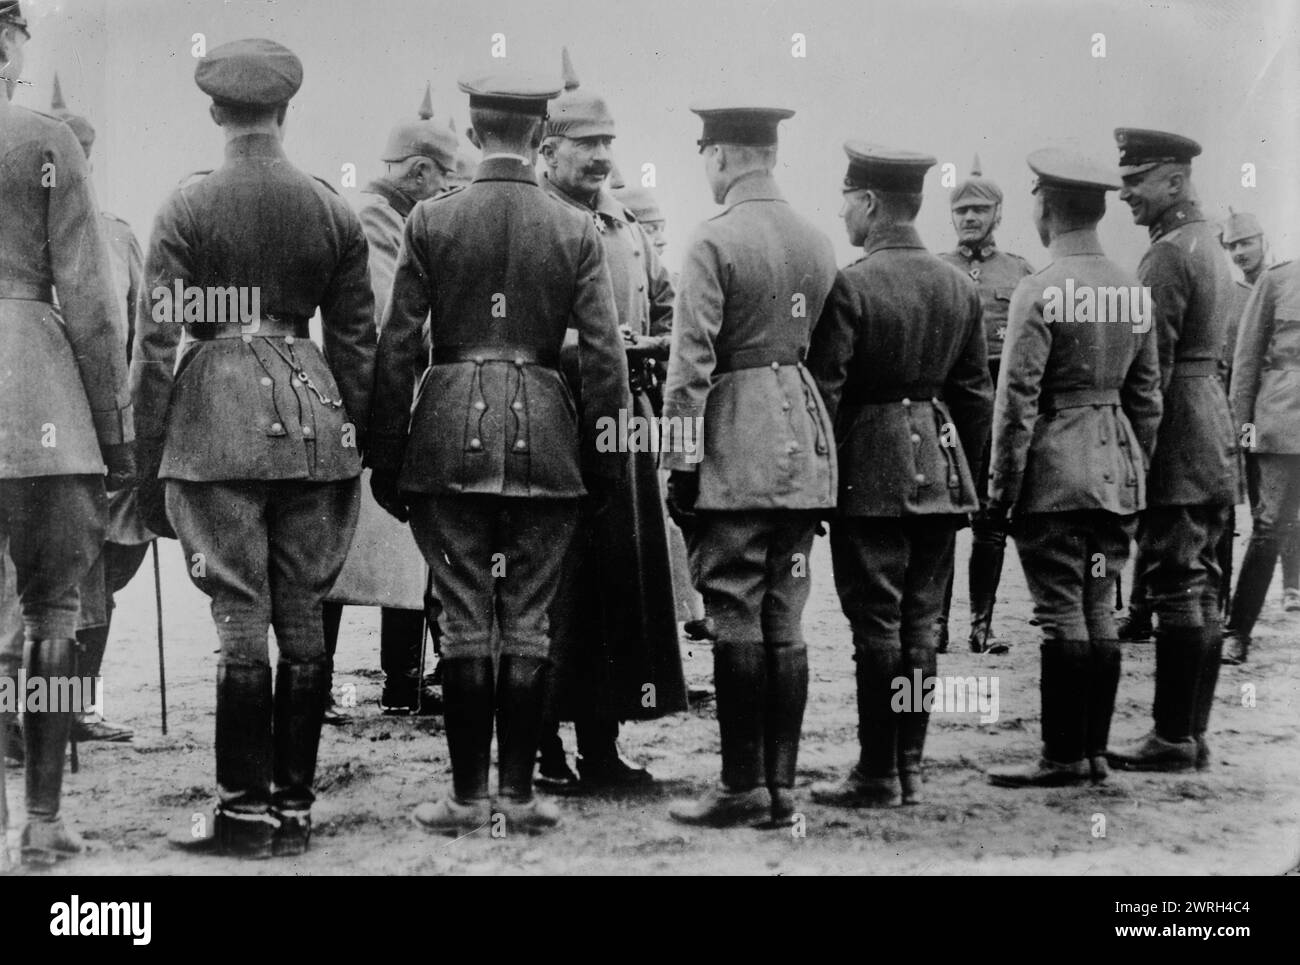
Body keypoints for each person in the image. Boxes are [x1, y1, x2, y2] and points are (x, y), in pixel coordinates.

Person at [367, 71, 629, 835]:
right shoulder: (574, 226)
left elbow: (395, 347)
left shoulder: (429, 220)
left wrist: (387, 454)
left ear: (475, 135)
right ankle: (517, 794)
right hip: (547, 441)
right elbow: (605, 358)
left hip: (448, 438)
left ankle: (465, 795)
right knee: (527, 622)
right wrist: (604, 458)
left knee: (461, 622)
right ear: (541, 137)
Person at [135, 38, 377, 858]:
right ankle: (295, 812)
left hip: (217, 425)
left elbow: (155, 343)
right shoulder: (331, 207)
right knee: (304, 616)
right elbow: (357, 344)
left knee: (240, 621)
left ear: (215, 110)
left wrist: (145, 452)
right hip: (315, 424)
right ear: (286, 110)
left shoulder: (187, 206)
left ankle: (243, 814)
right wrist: (362, 439)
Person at [663, 104, 837, 827]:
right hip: (801, 440)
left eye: (705, 152)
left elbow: (690, 367)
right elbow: (823, 354)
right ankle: (782, 786)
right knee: (783, 616)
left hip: (736, 444)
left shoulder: (714, 240)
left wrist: (680, 459)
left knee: (733, 609)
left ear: (725, 156)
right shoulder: (817, 240)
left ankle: (742, 786)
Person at [806, 143, 992, 807]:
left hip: (871, 477)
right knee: (920, 627)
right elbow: (975, 397)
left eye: (847, 199)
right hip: (940, 475)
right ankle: (908, 768)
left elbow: (824, 392)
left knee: (877, 629)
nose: (841, 210)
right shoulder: (957, 285)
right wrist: (973, 484)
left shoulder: (852, 284)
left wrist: (820, 480)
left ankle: (876, 772)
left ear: (871, 202)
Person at [0, 1, 136, 867]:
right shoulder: (46, 140)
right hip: (37, 394)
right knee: (54, 607)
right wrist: (116, 436)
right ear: (7, 39)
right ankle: (41, 819)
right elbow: (90, 302)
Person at [983, 149, 1162, 787]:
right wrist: (1133, 465)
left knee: (1060, 611)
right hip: (1116, 470)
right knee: (1096, 607)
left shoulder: (1041, 288)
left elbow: (1015, 405)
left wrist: (1001, 490)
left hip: (1056, 474)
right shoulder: (1131, 288)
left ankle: (1063, 757)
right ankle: (1091, 753)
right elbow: (1148, 399)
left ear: (1047, 207)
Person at [535, 50, 686, 789]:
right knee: (554, 593)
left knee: (614, 588)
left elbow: (663, 304)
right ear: (547, 149)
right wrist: (586, 351)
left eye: (607, 143)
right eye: (585, 143)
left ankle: (601, 742)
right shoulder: (538, 221)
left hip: (622, 430)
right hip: (555, 429)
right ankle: (542, 748)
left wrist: (649, 347)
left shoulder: (627, 226)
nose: (600, 156)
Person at [323, 84, 461, 718]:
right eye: (448, 176)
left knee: (400, 549)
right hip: (367, 408)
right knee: (343, 552)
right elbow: (384, 318)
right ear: (420, 171)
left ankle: (403, 684)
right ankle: (328, 681)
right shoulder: (377, 219)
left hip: (385, 404)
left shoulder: (402, 216)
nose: (453, 190)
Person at [1106, 129, 1241, 773]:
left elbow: (1148, 370)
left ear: (1175, 180)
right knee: (1206, 582)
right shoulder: (1209, 244)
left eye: (1137, 180)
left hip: (1179, 432)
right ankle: (1192, 733)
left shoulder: (1163, 257)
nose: (1125, 193)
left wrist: (1136, 456)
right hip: (1211, 422)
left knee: (1175, 580)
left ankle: (1170, 738)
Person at [49, 74, 155, 744]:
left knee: (111, 562)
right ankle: (39, 712)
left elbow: (145, 336)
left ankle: (76, 705)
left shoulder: (117, 238)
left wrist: (140, 428)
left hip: (106, 431)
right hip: (38, 439)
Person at [936, 157, 1033, 654]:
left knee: (992, 518)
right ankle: (937, 626)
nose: (970, 218)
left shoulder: (1019, 271)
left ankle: (982, 625)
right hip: (950, 404)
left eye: (980, 209)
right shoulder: (938, 269)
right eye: (962, 211)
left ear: (998, 214)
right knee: (944, 515)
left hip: (1000, 403)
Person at [1222, 257, 1300, 663]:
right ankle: (1238, 631)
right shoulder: (1278, 279)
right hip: (1281, 422)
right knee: (1269, 526)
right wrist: (1242, 432)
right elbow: (1247, 359)